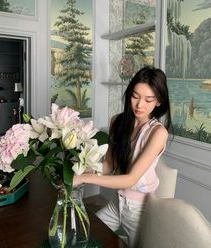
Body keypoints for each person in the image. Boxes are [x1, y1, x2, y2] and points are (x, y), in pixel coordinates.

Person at [74, 66, 172, 247]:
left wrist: (85, 178)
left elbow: (130, 180)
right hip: (117, 203)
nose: (139, 105)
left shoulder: (158, 133)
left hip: (140, 211)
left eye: (148, 99)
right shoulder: (118, 121)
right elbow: (110, 165)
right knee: (85, 237)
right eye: (135, 96)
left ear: (158, 102)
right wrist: (86, 168)